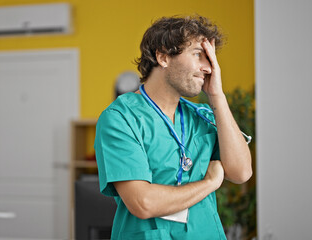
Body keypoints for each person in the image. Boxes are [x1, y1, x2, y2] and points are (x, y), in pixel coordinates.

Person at [94, 15, 252, 240]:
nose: (208, 68)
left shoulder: (203, 116)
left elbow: (241, 173)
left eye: (210, 58)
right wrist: (209, 183)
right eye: (199, 54)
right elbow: (143, 203)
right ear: (163, 57)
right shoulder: (120, 119)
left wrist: (217, 96)